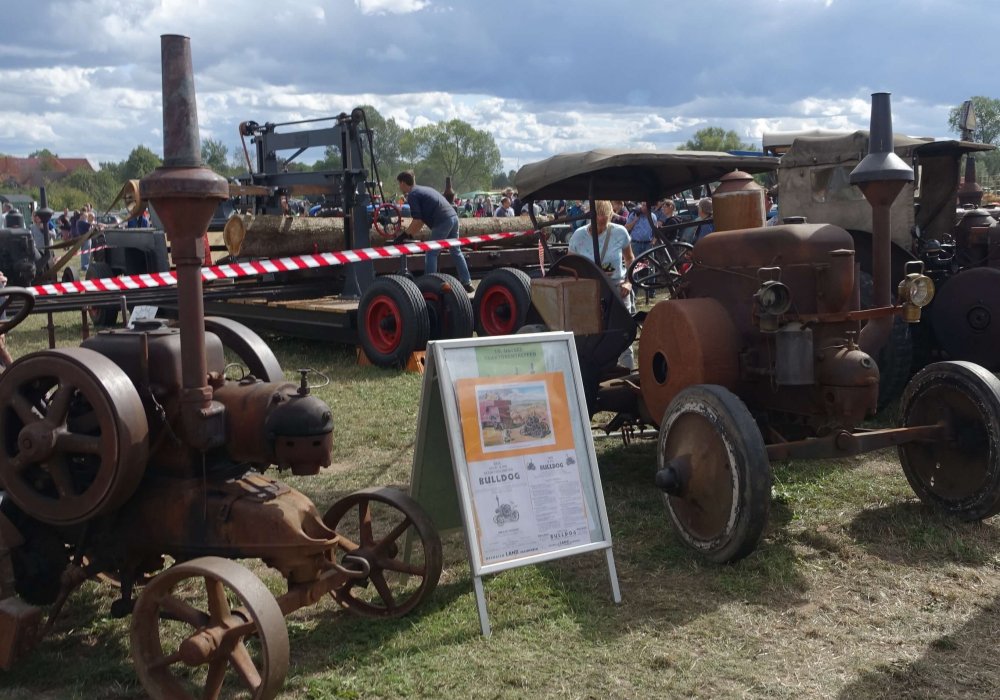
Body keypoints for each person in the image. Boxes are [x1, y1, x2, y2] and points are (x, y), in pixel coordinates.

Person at [568, 199, 636, 369]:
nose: (601, 228)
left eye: (604, 224)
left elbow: (629, 259)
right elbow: (571, 266)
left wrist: (628, 282)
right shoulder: (578, 236)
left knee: (623, 332)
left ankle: (628, 371)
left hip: (617, 288)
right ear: (590, 218)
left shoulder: (619, 232)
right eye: (597, 224)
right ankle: (594, 372)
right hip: (589, 291)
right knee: (591, 335)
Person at [396, 171, 474, 293]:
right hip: (453, 217)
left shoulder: (412, 195)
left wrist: (404, 236)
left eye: (399, 184)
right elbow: (420, 221)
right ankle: (467, 282)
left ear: (402, 183)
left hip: (442, 220)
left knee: (431, 253)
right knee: (455, 251)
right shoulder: (422, 189)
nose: (399, 187)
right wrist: (409, 234)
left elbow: (417, 220)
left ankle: (430, 285)